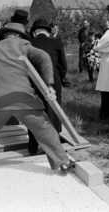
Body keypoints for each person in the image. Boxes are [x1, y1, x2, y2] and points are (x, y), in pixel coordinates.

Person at [0, 23, 75, 183]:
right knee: (45, 131)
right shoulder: (24, 45)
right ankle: (64, 162)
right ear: (20, 35)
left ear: (3, 34)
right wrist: (49, 85)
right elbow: (44, 57)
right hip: (24, 99)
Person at [28, 19, 67, 154]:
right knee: (53, 112)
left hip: (32, 80)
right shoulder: (56, 42)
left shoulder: (29, 44)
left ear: (34, 32)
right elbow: (63, 66)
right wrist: (58, 79)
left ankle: (33, 146)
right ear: (48, 32)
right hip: (53, 79)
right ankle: (53, 146)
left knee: (34, 111)